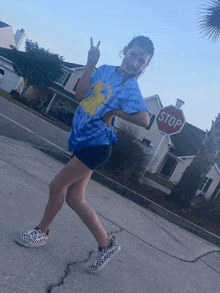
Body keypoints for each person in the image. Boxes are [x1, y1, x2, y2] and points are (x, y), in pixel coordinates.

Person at [17, 36, 154, 272]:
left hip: (97, 144)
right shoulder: (105, 71)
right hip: (83, 140)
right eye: (134, 54)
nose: (136, 62)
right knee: (74, 199)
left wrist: (113, 111)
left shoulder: (130, 86)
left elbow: (144, 119)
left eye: (142, 60)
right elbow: (81, 94)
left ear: (144, 67)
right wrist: (91, 63)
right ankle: (106, 244)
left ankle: (41, 231)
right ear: (125, 51)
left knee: (56, 185)